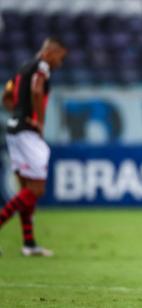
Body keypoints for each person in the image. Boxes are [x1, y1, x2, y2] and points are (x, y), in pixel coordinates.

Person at [0, 37, 68, 256]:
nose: (61, 62)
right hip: (27, 133)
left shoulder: (23, 67)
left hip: (13, 130)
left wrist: (18, 113)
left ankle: (29, 243)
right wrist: (38, 120)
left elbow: (7, 95)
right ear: (50, 52)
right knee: (36, 188)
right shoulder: (41, 66)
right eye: (60, 57)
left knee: (27, 189)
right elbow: (37, 90)